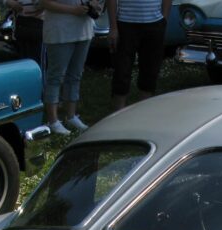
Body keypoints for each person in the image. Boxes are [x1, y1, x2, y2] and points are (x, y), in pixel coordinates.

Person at [38, 0, 101, 135]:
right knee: (56, 76)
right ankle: (53, 120)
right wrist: (72, 10)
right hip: (59, 31)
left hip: (83, 29)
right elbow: (44, 3)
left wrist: (93, 4)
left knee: (75, 75)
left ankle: (71, 116)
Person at [107, 0, 172, 111]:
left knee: (150, 70)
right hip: (126, 24)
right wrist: (113, 28)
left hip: (154, 24)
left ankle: (143, 111)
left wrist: (163, 20)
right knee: (122, 71)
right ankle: (118, 114)